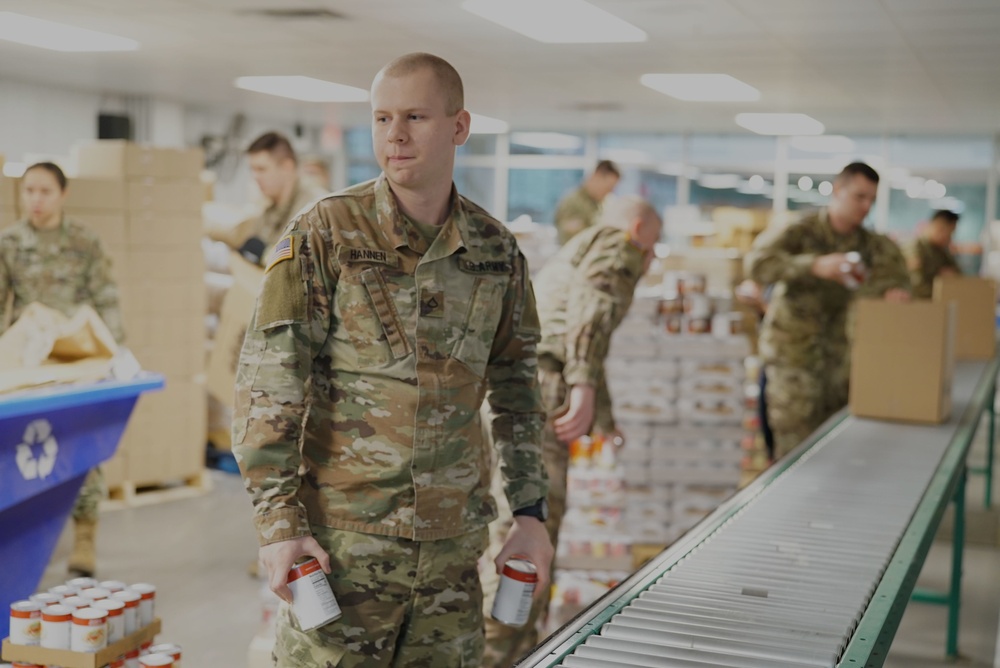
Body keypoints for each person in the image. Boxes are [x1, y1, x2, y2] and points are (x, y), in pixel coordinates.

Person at [232, 52, 552, 668]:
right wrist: (278, 527)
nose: (395, 136)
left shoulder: (496, 252)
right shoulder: (327, 233)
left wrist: (531, 513)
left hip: (452, 561)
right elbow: (270, 386)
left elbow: (517, 389)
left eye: (414, 117)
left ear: (459, 127)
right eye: (381, 119)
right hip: (343, 552)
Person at [481, 195, 661, 666]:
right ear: (639, 227)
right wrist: (581, 384)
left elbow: (578, 328)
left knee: (525, 526)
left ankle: (513, 645)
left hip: (525, 385)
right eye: (652, 244)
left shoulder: (578, 248)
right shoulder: (617, 242)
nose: (650, 258)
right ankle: (497, 650)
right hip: (541, 390)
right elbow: (593, 306)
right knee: (526, 530)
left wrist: (604, 414)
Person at [0, 162, 125, 577]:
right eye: (29, 190)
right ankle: (24, 536)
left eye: (44, 191)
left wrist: (116, 353)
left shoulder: (84, 242)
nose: (35, 199)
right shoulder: (10, 243)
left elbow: (106, 298)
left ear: (62, 194)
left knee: (81, 446)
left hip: (76, 361)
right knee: (20, 450)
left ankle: (85, 536)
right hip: (29, 363)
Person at [745, 162, 911, 459]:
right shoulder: (801, 231)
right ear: (837, 190)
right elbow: (758, 264)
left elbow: (898, 281)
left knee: (836, 452)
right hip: (795, 361)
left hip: (843, 365)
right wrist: (813, 265)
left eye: (871, 199)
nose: (865, 206)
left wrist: (896, 296)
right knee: (792, 454)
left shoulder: (874, 247)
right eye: (859, 197)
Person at [208, 132, 327, 263]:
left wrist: (266, 254)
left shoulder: (315, 208)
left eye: (261, 169)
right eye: (252, 170)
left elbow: (310, 265)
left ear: (287, 167)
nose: (255, 177)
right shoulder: (268, 204)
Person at [553, 160, 620, 245]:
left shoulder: (608, 202)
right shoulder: (571, 203)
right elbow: (568, 241)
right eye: (608, 187)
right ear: (597, 176)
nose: (610, 192)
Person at [905, 209, 962, 299]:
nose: (950, 238)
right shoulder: (915, 248)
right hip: (921, 303)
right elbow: (917, 285)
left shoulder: (942, 251)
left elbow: (958, 275)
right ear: (939, 228)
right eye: (949, 233)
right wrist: (941, 287)